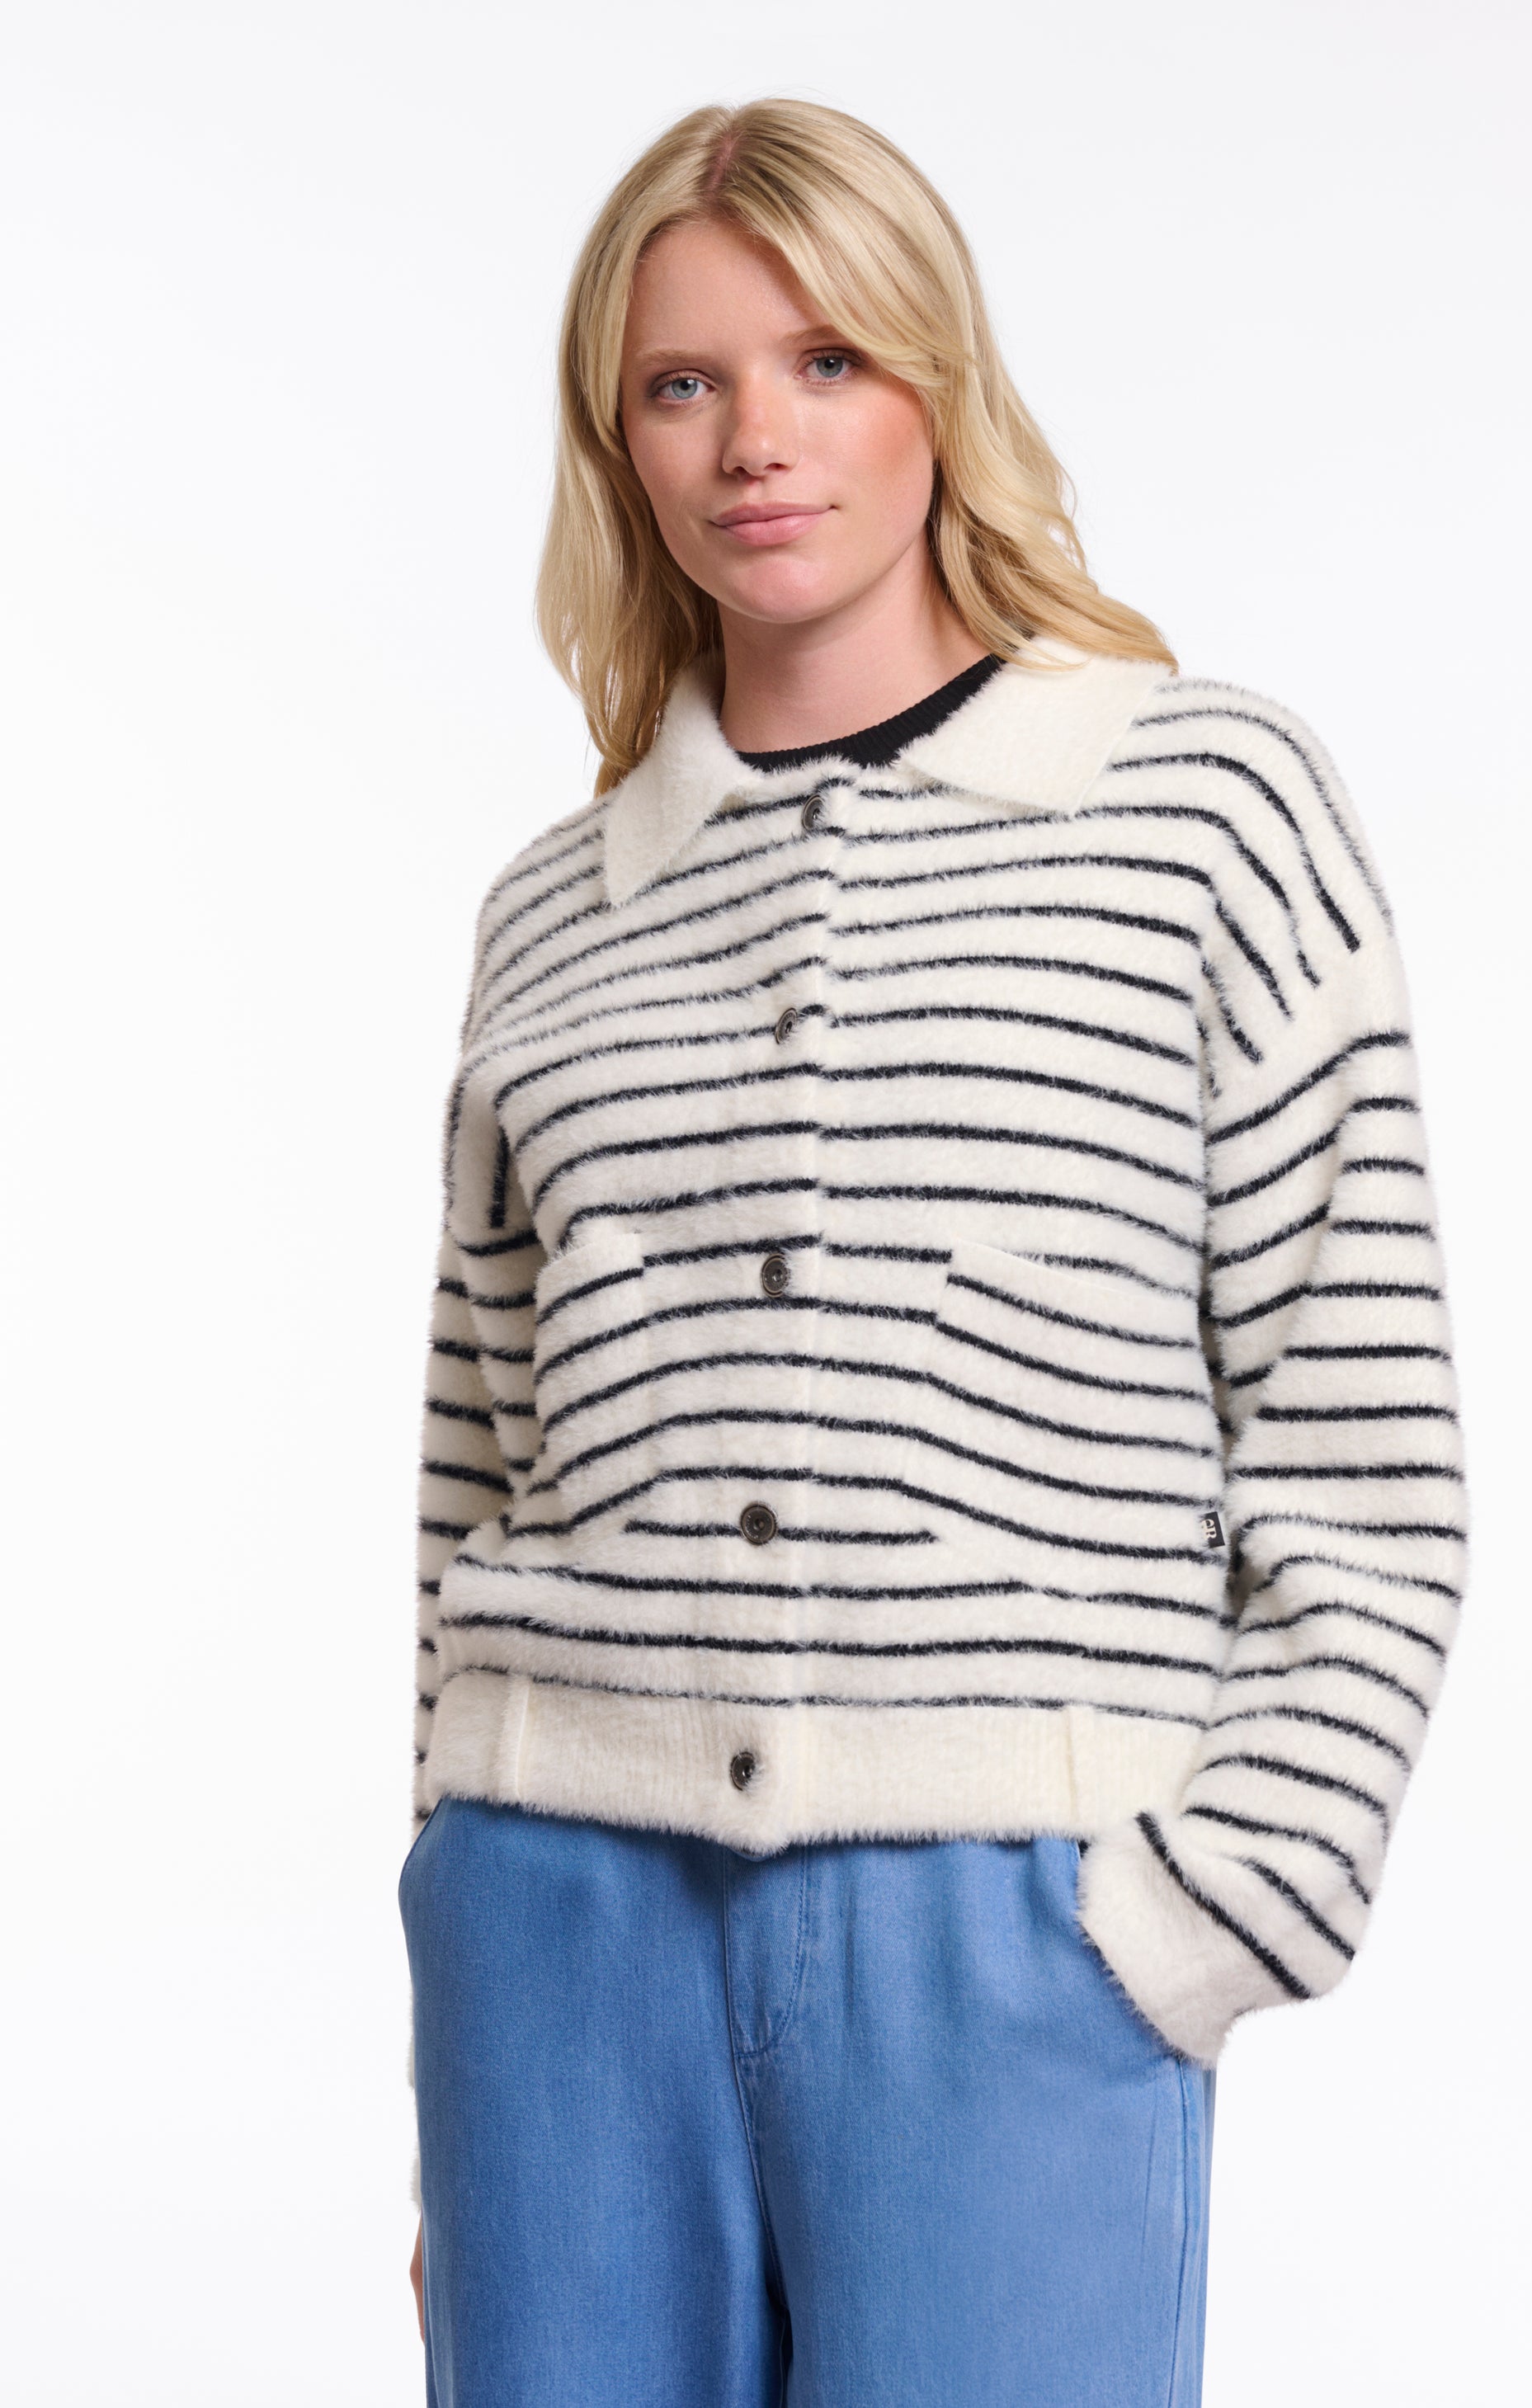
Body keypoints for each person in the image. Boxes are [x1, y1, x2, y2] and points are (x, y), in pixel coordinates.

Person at [398, 96, 1465, 2407]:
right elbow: (475, 1472)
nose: (754, 443)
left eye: (827, 361)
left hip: (1008, 1931)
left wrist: (1198, 1924)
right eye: (681, 384)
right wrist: (455, 2048)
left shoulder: (1203, 809)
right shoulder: (552, 914)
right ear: (616, 441)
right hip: (553, 1940)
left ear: (939, 384)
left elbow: (1360, 1456)